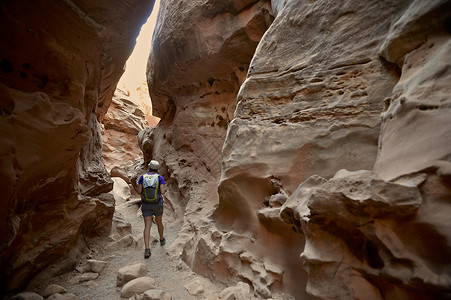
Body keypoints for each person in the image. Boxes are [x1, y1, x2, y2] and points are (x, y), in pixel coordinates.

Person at [137, 160, 166, 258]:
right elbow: (162, 191)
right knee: (159, 222)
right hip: (157, 203)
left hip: (146, 204)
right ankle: (162, 239)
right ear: (157, 168)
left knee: (147, 226)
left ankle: (147, 249)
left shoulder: (143, 177)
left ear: (149, 167)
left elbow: (139, 191)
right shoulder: (160, 178)